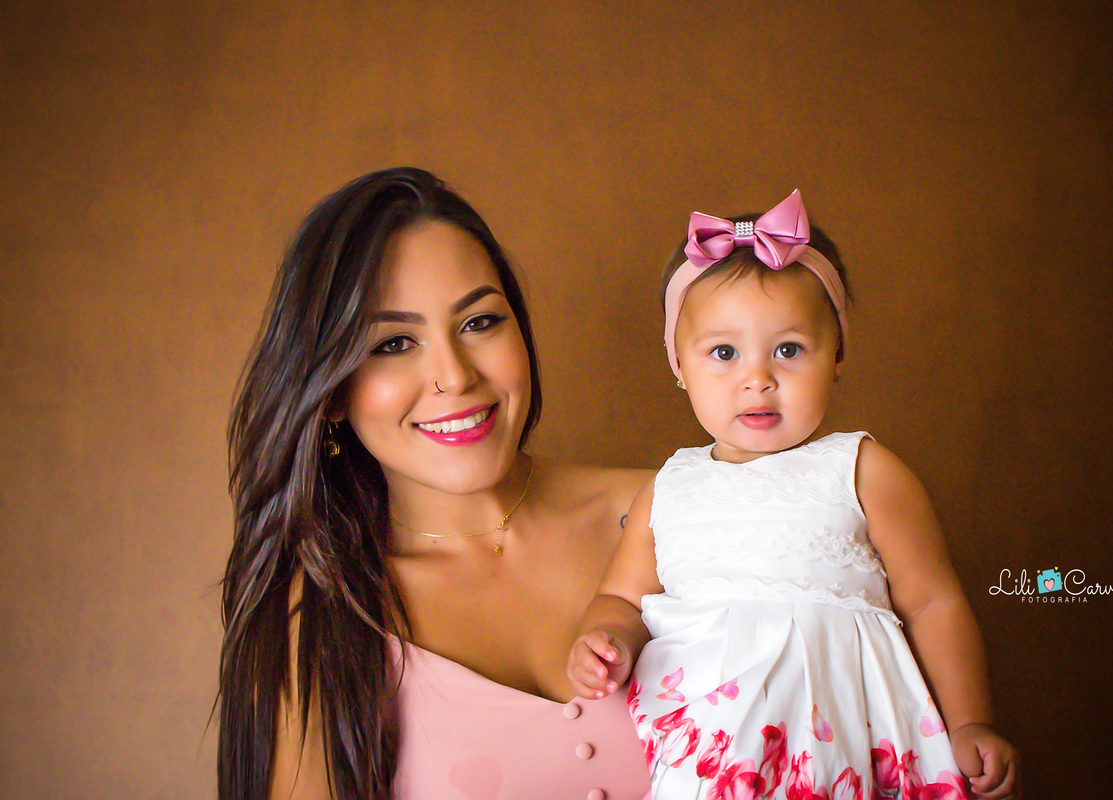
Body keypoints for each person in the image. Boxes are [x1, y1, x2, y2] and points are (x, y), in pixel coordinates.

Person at [566, 191, 1020, 799]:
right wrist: (607, 639)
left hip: (848, 749)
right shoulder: (671, 487)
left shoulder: (861, 469)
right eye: (723, 353)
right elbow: (621, 596)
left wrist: (970, 722)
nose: (758, 378)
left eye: (789, 349)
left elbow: (934, 601)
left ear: (838, 356)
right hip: (716, 756)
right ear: (679, 363)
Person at [218, 167, 653, 800]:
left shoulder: (673, 510)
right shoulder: (316, 618)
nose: (453, 375)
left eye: (479, 323)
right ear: (332, 391)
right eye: (393, 343)